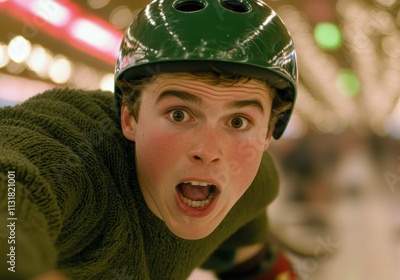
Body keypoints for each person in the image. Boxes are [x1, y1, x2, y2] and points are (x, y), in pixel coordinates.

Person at [0, 0, 298, 279]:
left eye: (237, 122)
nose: (207, 151)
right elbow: (10, 193)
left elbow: (254, 263)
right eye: (179, 114)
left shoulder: (253, 186)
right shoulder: (76, 154)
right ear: (129, 117)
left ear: (267, 135)